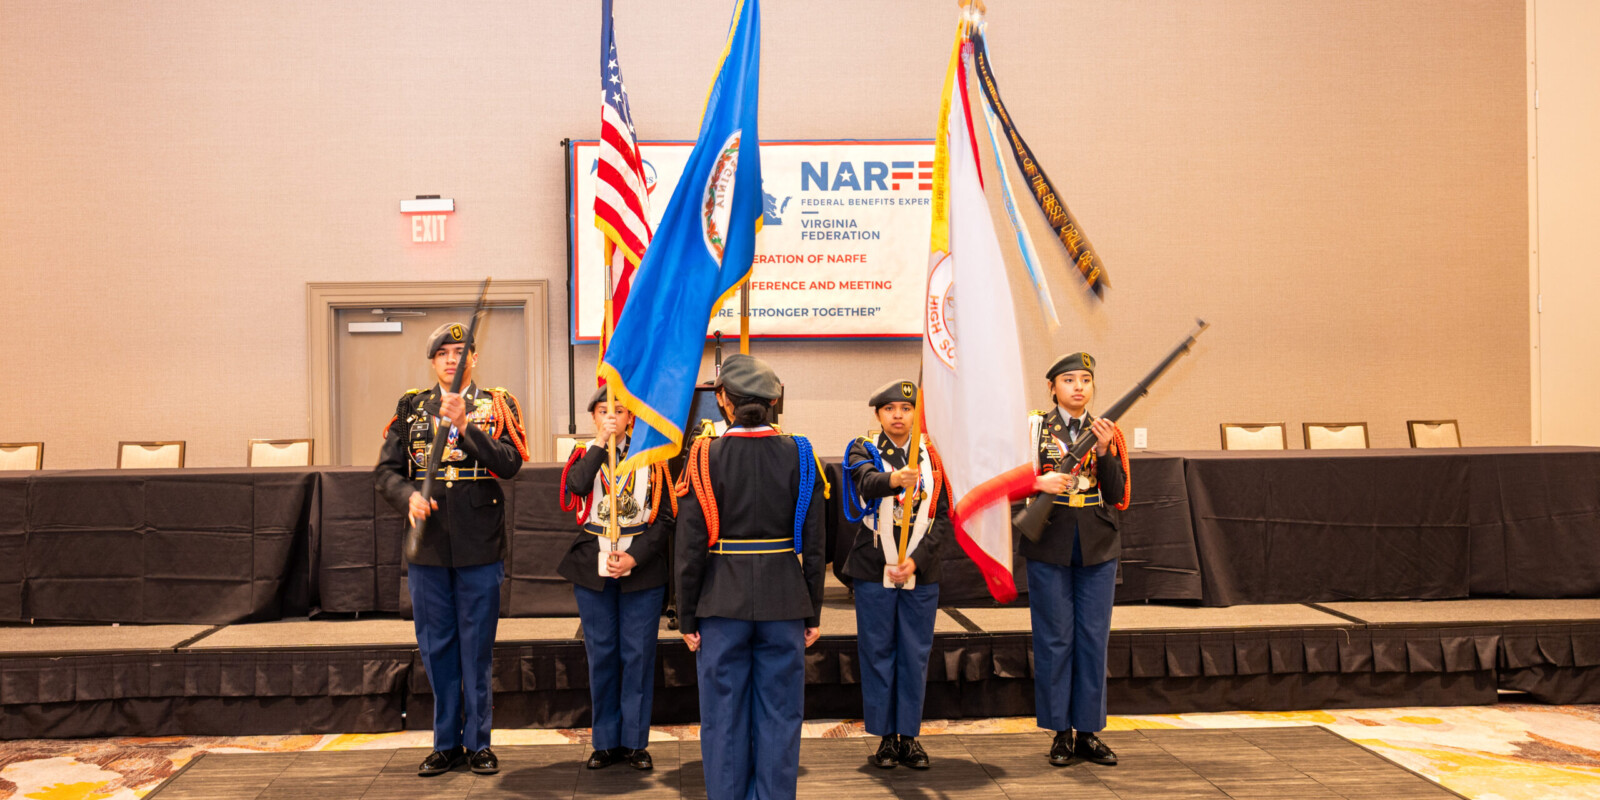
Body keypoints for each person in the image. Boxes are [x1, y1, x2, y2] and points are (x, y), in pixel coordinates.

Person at [374, 322, 529, 777]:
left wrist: (465, 425)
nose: (450, 360)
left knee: (477, 649)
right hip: (429, 547)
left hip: (480, 544)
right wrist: (408, 497)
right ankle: (445, 744)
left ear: (473, 359)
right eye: (442, 353)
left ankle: (478, 743)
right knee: (437, 647)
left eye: (459, 352)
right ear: (432, 362)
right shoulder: (412, 407)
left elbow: (510, 463)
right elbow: (385, 473)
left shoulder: (497, 404)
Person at [676, 354, 827, 800]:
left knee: (723, 718)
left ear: (723, 399)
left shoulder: (704, 455)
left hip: (721, 602)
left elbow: (689, 546)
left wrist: (687, 616)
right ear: (774, 400)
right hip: (786, 600)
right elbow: (816, 543)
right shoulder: (802, 454)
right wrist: (813, 610)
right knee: (781, 715)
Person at [557, 387, 676, 771]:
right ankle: (606, 742)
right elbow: (577, 486)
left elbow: (665, 518)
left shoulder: (651, 457)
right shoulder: (584, 453)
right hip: (594, 565)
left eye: (620, 411)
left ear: (632, 417)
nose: (612, 416)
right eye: (603, 411)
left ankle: (635, 742)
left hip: (640, 566)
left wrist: (634, 557)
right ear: (593, 417)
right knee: (602, 654)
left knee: (637, 656)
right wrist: (600, 442)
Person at [1021, 352, 1130, 767]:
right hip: (1049, 541)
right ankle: (1059, 732)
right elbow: (1011, 479)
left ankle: (1087, 731)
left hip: (1097, 544)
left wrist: (1104, 451)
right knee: (1054, 639)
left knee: (1092, 639)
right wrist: (1038, 482)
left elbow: (1117, 493)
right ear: (1052, 388)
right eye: (1068, 379)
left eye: (1085, 379)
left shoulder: (1105, 431)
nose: (1079, 386)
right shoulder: (1034, 429)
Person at [840, 380, 950, 770]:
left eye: (906, 408)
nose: (898, 415)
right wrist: (895, 480)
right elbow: (865, 482)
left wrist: (917, 560)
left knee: (915, 654)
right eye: (890, 409)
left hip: (921, 569)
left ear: (916, 414)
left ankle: (910, 736)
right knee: (877, 652)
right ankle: (886, 737)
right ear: (878, 415)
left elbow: (943, 517)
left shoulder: (933, 455)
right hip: (875, 566)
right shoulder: (864, 448)